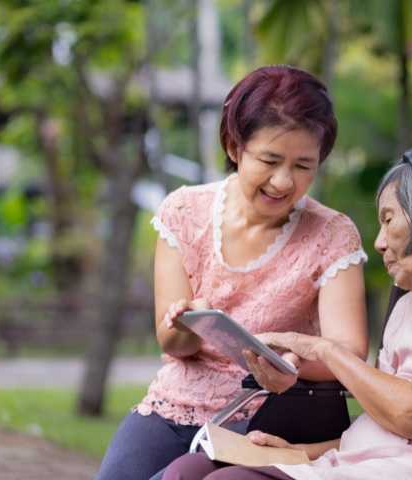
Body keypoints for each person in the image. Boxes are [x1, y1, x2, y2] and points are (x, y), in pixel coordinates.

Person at [162, 148, 412, 480]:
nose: (379, 242)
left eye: (388, 220)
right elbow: (383, 429)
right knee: (185, 472)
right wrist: (300, 452)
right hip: (363, 464)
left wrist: (325, 350)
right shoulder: (411, 306)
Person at [96, 65, 370, 480]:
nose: (284, 181)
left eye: (303, 165)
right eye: (270, 160)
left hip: (270, 412)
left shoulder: (333, 234)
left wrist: (293, 363)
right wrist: (191, 322)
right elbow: (172, 342)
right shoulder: (184, 212)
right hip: (175, 404)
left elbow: (348, 353)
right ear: (234, 145)